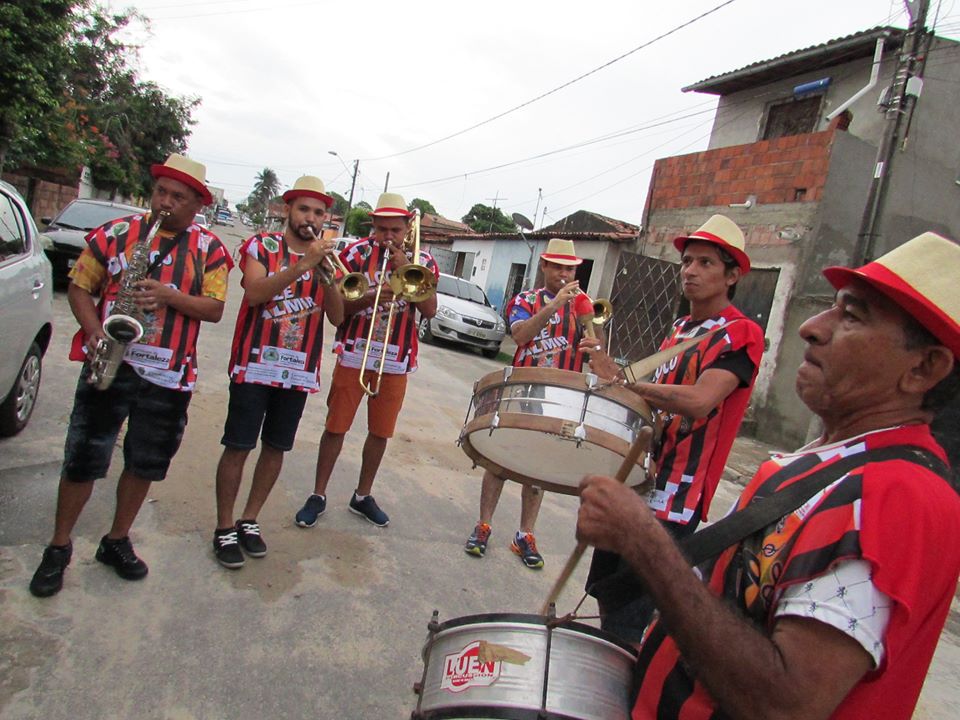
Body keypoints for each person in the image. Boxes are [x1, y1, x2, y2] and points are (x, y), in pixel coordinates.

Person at [576, 231, 960, 719]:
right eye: (832, 307)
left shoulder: (895, 497)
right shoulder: (833, 459)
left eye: (852, 316)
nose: (812, 328)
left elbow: (784, 703)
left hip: (673, 498)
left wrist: (643, 540)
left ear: (924, 369)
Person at [29, 154, 232, 598]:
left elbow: (215, 309)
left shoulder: (212, 250)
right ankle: (58, 546)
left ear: (197, 204)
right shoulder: (115, 234)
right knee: (83, 458)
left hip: (168, 374)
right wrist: (94, 332)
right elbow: (80, 287)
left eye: (178, 197)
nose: (165, 202)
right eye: (161, 192)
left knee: (145, 462)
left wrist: (169, 295)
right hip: (111, 362)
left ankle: (116, 540)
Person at [582, 214, 764, 639]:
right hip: (640, 479)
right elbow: (655, 399)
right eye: (687, 262)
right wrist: (612, 374)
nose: (690, 271)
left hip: (677, 496)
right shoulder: (682, 328)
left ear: (732, 276)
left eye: (705, 263)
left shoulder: (742, 334)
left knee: (632, 613)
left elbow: (700, 401)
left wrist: (624, 382)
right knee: (608, 591)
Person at [211, 176, 344, 569]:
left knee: (275, 448)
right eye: (304, 209)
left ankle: (249, 519)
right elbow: (254, 293)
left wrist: (328, 279)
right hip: (254, 366)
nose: (310, 218)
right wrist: (304, 264)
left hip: (297, 372)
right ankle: (224, 526)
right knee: (238, 446)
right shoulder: (261, 246)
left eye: (318, 213)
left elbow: (337, 318)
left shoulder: (327, 259)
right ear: (288, 210)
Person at [293, 192, 438, 529]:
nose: (388, 237)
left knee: (380, 432)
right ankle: (318, 494)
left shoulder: (424, 261)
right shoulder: (354, 254)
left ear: (407, 229)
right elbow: (338, 311)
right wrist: (371, 296)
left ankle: (362, 495)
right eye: (382, 229)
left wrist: (405, 268)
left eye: (395, 230)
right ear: (373, 225)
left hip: (395, 359)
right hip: (355, 353)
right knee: (336, 426)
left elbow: (430, 311)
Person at [464, 238, 596, 569]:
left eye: (570, 269)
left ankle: (525, 534)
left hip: (559, 396)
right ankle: (483, 525)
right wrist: (554, 306)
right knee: (499, 461)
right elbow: (520, 335)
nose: (564, 274)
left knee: (537, 467)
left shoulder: (582, 305)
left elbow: (595, 350)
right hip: (520, 389)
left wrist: (593, 329)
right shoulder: (525, 300)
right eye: (558, 267)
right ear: (544, 266)